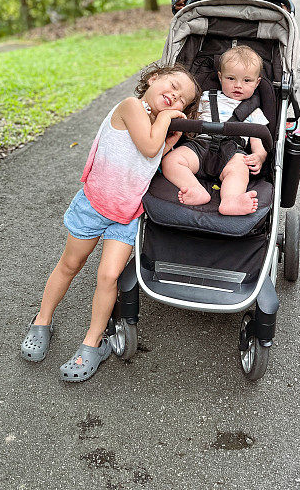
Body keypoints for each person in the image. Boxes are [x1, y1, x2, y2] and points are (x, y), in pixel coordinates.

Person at [20, 62, 201, 382]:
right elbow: (147, 145)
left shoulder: (158, 127)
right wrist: (165, 122)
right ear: (154, 79)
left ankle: (92, 343)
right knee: (70, 264)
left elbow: (151, 157)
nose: (174, 96)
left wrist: (171, 141)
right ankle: (42, 319)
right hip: (93, 205)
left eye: (182, 99)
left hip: (127, 213)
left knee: (108, 276)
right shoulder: (130, 107)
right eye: (171, 85)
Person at [161, 45, 269, 216]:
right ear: (220, 77)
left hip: (232, 152)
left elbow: (258, 138)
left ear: (257, 83)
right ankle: (195, 189)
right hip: (200, 145)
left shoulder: (254, 111)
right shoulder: (205, 98)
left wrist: (259, 156)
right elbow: (188, 116)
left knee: (239, 170)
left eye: (247, 81)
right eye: (231, 78)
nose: (238, 85)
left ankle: (230, 200)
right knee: (171, 161)